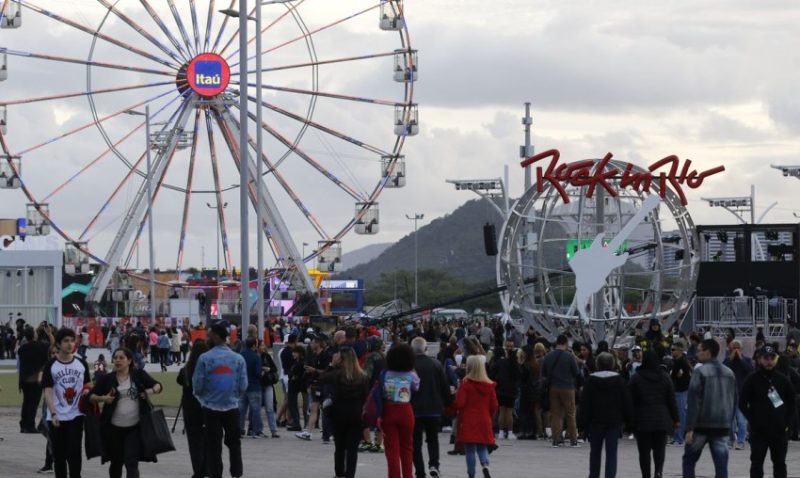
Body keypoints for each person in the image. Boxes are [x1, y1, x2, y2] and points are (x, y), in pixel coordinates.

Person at [88, 347, 163, 478]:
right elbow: (90, 396)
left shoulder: (138, 375)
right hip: (113, 429)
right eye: (115, 358)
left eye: (121, 358)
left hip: (134, 428)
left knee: (131, 461)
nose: (117, 360)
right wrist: (103, 398)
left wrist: (148, 392)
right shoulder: (107, 379)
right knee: (116, 463)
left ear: (129, 361)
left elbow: (158, 385)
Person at [192, 323, 248, 478]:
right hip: (231, 406)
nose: (207, 338)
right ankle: (236, 472)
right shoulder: (238, 359)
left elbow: (197, 385)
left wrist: (204, 397)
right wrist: (234, 395)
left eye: (209, 335)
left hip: (211, 407)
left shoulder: (205, 358)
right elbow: (243, 385)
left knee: (214, 446)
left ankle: (216, 474)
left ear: (216, 336)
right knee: (234, 443)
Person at [683, 338, 737, 478]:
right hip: (722, 425)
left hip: (702, 425)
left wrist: (689, 428)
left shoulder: (700, 372)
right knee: (721, 465)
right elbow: (734, 400)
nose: (697, 354)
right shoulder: (729, 372)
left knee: (689, 461)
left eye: (699, 350)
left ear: (708, 352)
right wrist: (729, 422)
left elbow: (694, 401)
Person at [739, 345, 796, 478]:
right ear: (759, 360)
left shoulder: (782, 380)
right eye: (766, 358)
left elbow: (792, 402)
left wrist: (788, 423)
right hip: (759, 432)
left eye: (772, 358)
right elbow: (742, 403)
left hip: (779, 431)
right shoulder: (751, 380)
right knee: (757, 464)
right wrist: (753, 420)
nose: (769, 361)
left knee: (780, 464)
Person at [42, 328, 91, 478]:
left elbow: (88, 384)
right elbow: (48, 392)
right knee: (59, 454)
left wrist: (87, 391)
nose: (70, 344)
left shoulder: (81, 363)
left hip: (76, 414)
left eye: (72, 340)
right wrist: (54, 413)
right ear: (58, 344)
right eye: (66, 341)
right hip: (56, 416)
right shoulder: (51, 365)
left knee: (74, 451)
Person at [578, 352, 632, 478]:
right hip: (613, 422)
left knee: (595, 453)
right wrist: (629, 422)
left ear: (598, 364)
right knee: (612, 454)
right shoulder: (619, 380)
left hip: (595, 422)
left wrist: (581, 424)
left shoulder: (590, 380)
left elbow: (585, 404)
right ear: (612, 364)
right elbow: (626, 402)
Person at [320, 347, 370, 478]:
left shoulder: (337, 374)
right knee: (352, 449)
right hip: (356, 413)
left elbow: (323, 378)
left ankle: (339, 473)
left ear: (341, 360)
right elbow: (366, 398)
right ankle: (350, 475)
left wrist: (332, 365)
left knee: (340, 447)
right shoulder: (363, 376)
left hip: (339, 413)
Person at [629, 350, 679, 478]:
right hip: (661, 419)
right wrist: (676, 419)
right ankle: (658, 472)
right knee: (660, 450)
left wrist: (629, 420)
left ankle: (646, 475)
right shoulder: (665, 377)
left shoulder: (636, 377)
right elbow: (671, 400)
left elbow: (630, 400)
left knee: (644, 452)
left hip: (642, 420)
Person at [446, 355, 497, 478]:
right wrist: (488, 416)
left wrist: (448, 409)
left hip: (468, 420)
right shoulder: (489, 386)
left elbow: (460, 403)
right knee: (482, 447)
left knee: (469, 450)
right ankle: (485, 465)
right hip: (484, 420)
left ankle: (471, 474)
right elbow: (494, 405)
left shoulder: (466, 384)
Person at [410, 337, 450, 478]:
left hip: (414, 410)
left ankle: (420, 471)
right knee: (433, 439)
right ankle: (434, 465)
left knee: (416, 443)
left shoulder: (409, 366)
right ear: (426, 349)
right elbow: (444, 387)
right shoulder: (436, 364)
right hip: (434, 408)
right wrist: (447, 403)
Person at [381, 343, 420, 478]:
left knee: (392, 449)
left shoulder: (385, 373)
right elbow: (417, 387)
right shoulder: (411, 374)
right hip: (406, 409)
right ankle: (408, 475)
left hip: (389, 409)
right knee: (407, 447)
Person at [540, 334, 580, 447]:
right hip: (568, 388)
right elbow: (576, 373)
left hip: (553, 388)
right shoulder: (569, 356)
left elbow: (544, 373)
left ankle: (556, 440)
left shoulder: (548, 356)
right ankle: (573, 440)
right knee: (570, 415)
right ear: (566, 343)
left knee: (556, 415)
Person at [178, 340, 209, 478]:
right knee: (208, 440)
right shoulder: (209, 367)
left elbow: (180, 381)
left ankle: (198, 471)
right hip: (207, 407)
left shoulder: (186, 369)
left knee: (194, 442)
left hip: (190, 409)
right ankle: (208, 468)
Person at [17, 326, 50, 433]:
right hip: (35, 379)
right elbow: (52, 345)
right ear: (34, 334)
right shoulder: (41, 346)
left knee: (26, 402)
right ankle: (30, 426)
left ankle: (23, 425)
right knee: (33, 404)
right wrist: (49, 333)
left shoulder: (22, 348)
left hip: (24, 380)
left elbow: (20, 351)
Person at [722, 339, 754, 449]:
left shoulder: (747, 360)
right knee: (730, 421)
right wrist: (732, 358)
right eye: (734, 348)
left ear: (741, 349)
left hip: (742, 394)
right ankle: (731, 440)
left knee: (741, 420)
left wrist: (740, 358)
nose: (735, 350)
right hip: (729, 394)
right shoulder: (728, 360)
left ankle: (741, 442)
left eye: (738, 348)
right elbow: (723, 370)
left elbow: (750, 370)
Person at [490, 340, 520, 440]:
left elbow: (492, 374)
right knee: (509, 412)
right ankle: (510, 432)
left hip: (501, 389)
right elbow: (518, 376)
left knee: (502, 411)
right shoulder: (515, 362)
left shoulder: (499, 362)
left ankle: (501, 432)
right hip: (511, 390)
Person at [238, 337, 264, 438]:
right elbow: (258, 373)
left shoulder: (240, 355)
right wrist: (262, 372)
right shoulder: (256, 356)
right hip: (254, 386)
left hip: (242, 386)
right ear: (254, 345)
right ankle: (256, 430)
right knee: (256, 409)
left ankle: (240, 429)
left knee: (241, 409)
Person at [669, 341, 692, 445]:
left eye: (673, 349)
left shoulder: (680, 362)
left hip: (681, 391)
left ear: (680, 351)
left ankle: (679, 438)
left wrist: (674, 376)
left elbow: (678, 376)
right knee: (680, 414)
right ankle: (677, 437)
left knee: (681, 415)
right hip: (680, 391)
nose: (671, 351)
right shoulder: (679, 361)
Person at [259, 342, 280, 438]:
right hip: (258, 386)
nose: (263, 347)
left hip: (268, 384)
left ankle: (273, 430)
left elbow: (274, 368)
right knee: (257, 409)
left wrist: (268, 369)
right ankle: (259, 429)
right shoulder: (255, 356)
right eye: (261, 345)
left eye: (264, 345)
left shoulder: (266, 356)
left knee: (270, 408)